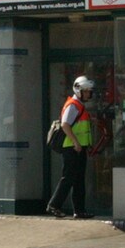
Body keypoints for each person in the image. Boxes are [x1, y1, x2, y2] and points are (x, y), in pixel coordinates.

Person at [47, 75, 96, 218]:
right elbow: (65, 125)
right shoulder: (73, 105)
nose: (89, 93)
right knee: (68, 178)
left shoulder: (79, 105)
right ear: (78, 90)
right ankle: (53, 205)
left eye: (89, 91)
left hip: (79, 148)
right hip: (71, 148)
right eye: (86, 91)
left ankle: (79, 211)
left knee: (79, 179)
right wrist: (75, 142)